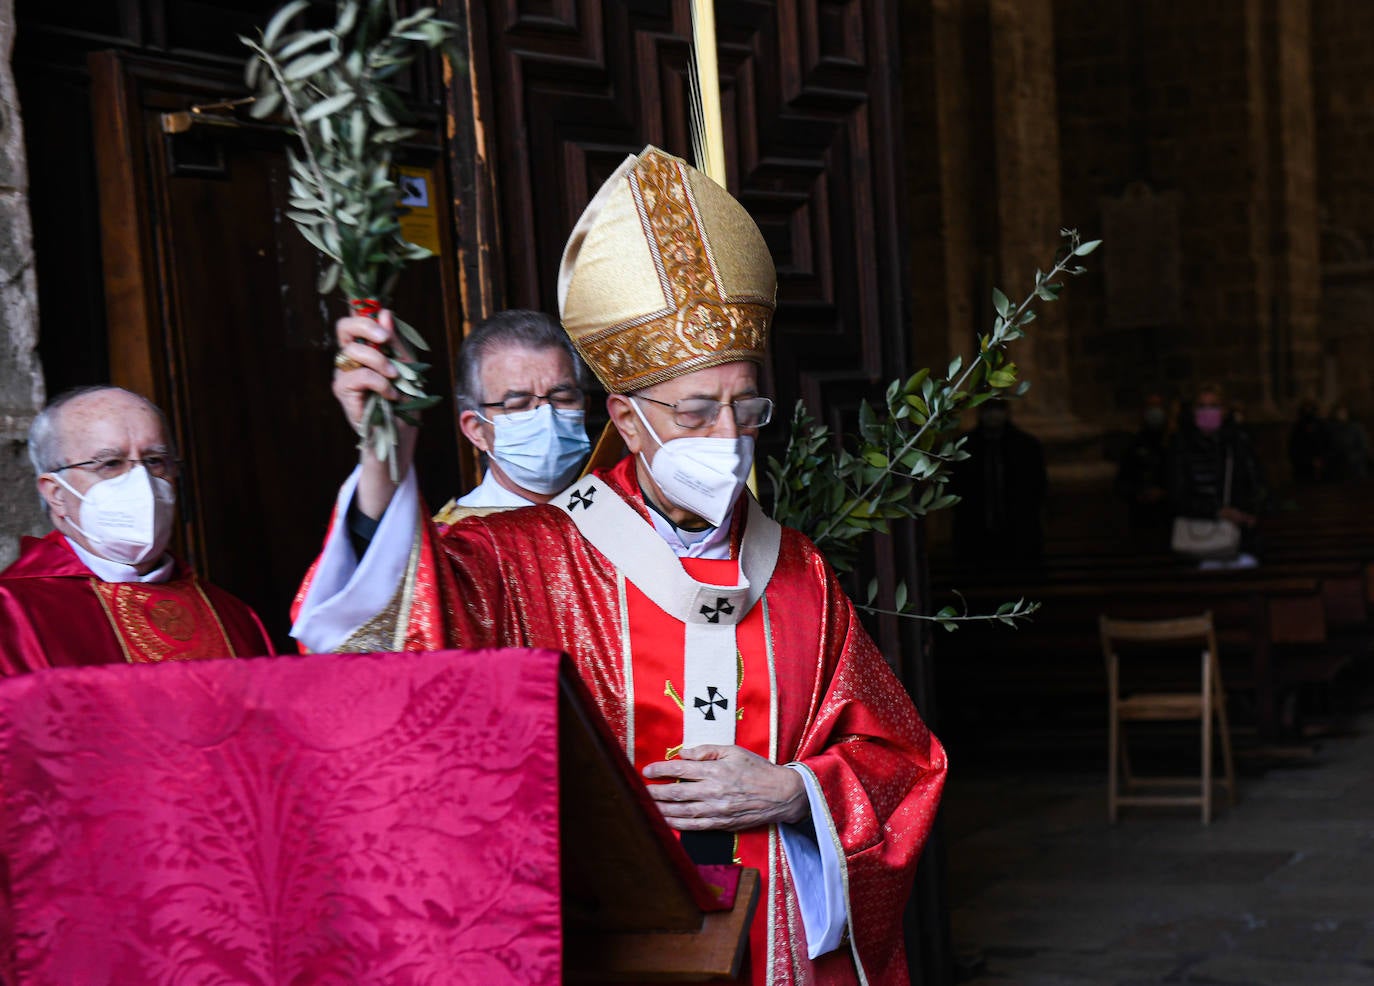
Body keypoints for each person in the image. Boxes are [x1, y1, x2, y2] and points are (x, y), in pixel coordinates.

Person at [293, 147, 945, 984]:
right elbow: (391, 646)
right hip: (609, 943)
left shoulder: (797, 570)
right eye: (697, 410)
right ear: (627, 420)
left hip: (775, 938)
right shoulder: (527, 555)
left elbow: (901, 760)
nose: (727, 438)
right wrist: (386, 452)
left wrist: (793, 792)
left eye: (746, 408)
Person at [0, 386, 273, 673]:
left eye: (155, 461)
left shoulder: (233, 617)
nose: (141, 481)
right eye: (110, 464)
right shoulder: (13, 616)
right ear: (56, 493)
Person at [432, 309, 592, 521]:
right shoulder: (457, 541)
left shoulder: (624, 514)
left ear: (585, 408)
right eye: (518, 404)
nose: (547, 418)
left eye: (563, 398)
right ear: (476, 429)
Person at [1168, 384, 1266, 568]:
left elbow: (1257, 484)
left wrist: (1249, 512)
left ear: (1224, 410)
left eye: (1214, 406)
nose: (1208, 411)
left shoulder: (1238, 443)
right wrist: (1216, 511)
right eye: (1202, 406)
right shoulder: (1180, 446)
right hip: (1197, 537)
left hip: (1238, 537)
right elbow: (1176, 495)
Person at [949, 399, 1048, 573]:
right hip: (974, 534)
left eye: (998, 409)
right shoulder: (964, 445)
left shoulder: (1027, 446)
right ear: (980, 412)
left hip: (1019, 532)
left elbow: (1038, 486)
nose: (993, 415)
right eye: (988, 409)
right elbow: (954, 487)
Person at [1114, 393, 1172, 532]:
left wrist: (1165, 492)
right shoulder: (1133, 445)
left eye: (1158, 407)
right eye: (1151, 407)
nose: (1154, 412)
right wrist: (1138, 493)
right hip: (1141, 517)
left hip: (1169, 518)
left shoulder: (1175, 444)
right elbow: (1121, 482)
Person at [1288, 398, 1332, 484]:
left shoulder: (1322, 426)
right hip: (1303, 467)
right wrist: (1309, 461)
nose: (1308, 412)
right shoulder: (1298, 428)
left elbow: (1328, 444)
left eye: (1311, 409)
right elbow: (1294, 448)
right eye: (1306, 409)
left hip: (1323, 464)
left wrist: (1322, 459)